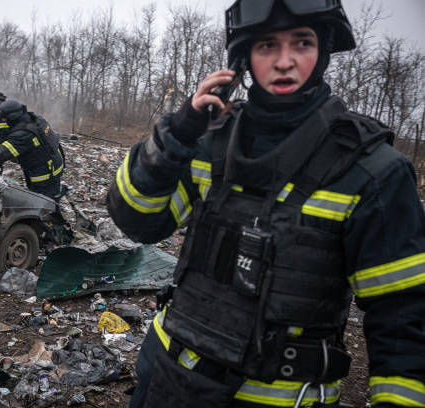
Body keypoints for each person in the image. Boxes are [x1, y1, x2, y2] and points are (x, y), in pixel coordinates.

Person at [106, 0, 425, 407]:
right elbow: (138, 221)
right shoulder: (210, 141)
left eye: (302, 43)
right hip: (168, 377)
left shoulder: (373, 172)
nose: (285, 61)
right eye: (267, 45)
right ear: (243, 60)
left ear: (323, 50)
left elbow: (404, 321)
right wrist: (176, 138)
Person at [0, 99, 65, 201]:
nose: (3, 121)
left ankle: (52, 215)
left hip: (44, 174)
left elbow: (0, 154)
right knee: (50, 197)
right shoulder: (35, 119)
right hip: (53, 164)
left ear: (12, 116)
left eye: (4, 118)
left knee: (44, 203)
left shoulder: (23, 134)